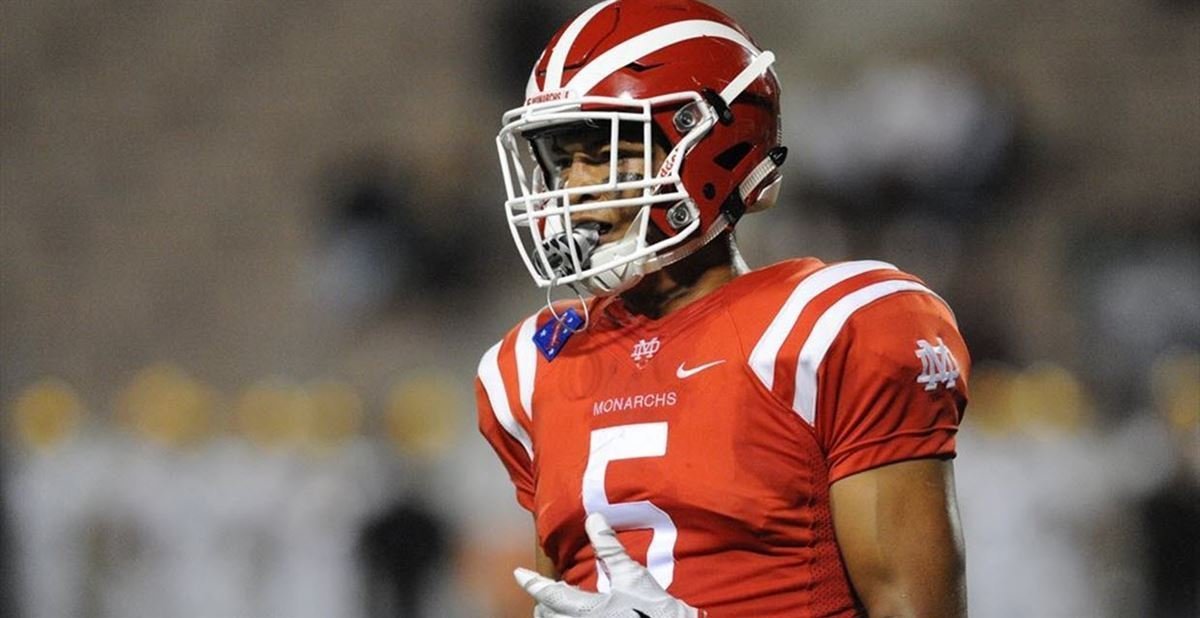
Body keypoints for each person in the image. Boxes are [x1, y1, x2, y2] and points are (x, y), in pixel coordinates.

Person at [476, 1, 970, 616]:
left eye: (606, 152)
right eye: (562, 159)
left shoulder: (829, 328)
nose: (575, 188)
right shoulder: (530, 366)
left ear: (710, 143)